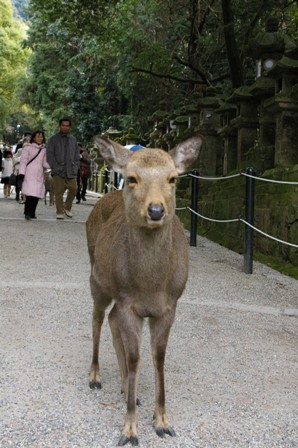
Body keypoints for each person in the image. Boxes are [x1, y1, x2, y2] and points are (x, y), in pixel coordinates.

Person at [46, 118, 80, 219]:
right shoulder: (53, 139)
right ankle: (59, 211)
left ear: (70, 127)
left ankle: (67, 207)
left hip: (71, 169)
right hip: (58, 170)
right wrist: (55, 167)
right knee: (59, 191)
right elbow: (50, 155)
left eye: (67, 125)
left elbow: (76, 156)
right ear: (60, 126)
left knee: (74, 189)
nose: (65, 127)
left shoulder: (73, 139)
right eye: (63, 125)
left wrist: (76, 167)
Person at [19, 130, 50, 220]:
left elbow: (44, 163)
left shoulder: (44, 149)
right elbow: (23, 161)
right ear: (33, 138)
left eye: (41, 137)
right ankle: (27, 212)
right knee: (30, 194)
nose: (40, 138)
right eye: (38, 136)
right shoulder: (27, 148)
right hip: (29, 173)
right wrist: (22, 173)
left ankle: (32, 212)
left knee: (36, 194)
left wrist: (53, 165)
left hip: (39, 173)